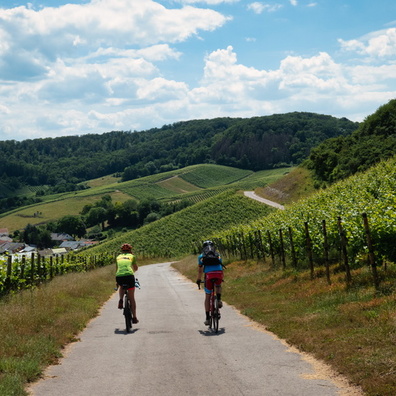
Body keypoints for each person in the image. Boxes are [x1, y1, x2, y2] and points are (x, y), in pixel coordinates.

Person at [196, 240, 224, 326]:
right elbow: (221, 266)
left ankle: (208, 318)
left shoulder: (201, 256)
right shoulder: (217, 254)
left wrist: (198, 280)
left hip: (208, 275)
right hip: (219, 273)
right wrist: (222, 277)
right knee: (218, 285)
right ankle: (218, 299)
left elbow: (200, 271)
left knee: (207, 297)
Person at [116, 243, 139, 324]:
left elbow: (117, 269)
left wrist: (116, 282)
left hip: (119, 276)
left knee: (121, 286)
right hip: (129, 276)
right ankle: (134, 317)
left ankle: (121, 299)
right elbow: (136, 268)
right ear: (130, 250)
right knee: (132, 298)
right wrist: (132, 271)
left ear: (121, 250)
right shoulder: (132, 256)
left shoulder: (118, 257)